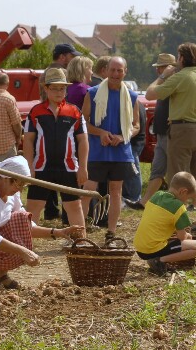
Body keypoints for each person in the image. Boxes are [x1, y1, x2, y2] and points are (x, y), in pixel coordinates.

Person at [0, 156, 84, 290]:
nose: (20, 190)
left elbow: (25, 225)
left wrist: (57, 232)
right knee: (16, 249)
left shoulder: (11, 194)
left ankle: (0, 276)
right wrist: (23, 251)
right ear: (5, 178)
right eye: (19, 184)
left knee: (21, 218)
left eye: (24, 185)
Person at [145, 43, 196, 216]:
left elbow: (150, 94)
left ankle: (177, 221)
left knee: (177, 177)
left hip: (181, 130)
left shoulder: (180, 77)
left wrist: (163, 76)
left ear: (182, 58)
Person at [22, 68, 89, 237]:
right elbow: (28, 140)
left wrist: (83, 167)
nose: (59, 92)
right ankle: (25, 242)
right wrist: (28, 166)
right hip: (41, 167)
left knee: (74, 206)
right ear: (46, 88)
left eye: (62, 88)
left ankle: (81, 242)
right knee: (33, 206)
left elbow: (83, 141)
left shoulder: (75, 111)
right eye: (54, 88)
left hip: (69, 167)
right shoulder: (36, 112)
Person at [81, 57, 139, 241]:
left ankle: (111, 232)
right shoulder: (92, 93)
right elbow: (83, 122)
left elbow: (136, 126)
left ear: (125, 72)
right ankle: (79, 231)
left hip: (120, 152)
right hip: (97, 151)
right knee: (88, 191)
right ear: (105, 70)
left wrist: (123, 136)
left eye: (119, 70)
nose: (115, 74)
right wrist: (101, 133)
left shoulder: (132, 96)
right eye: (112, 70)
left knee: (116, 192)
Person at [125, 53, 175, 210]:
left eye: (161, 67)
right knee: (158, 169)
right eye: (158, 67)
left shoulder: (173, 83)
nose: (158, 71)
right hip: (162, 132)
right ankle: (144, 202)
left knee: (174, 170)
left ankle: (180, 202)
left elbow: (149, 93)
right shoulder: (164, 84)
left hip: (171, 133)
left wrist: (163, 77)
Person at [134, 171, 196, 275]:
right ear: (183, 191)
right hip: (152, 250)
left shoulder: (156, 195)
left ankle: (157, 260)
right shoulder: (179, 207)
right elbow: (182, 237)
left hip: (139, 248)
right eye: (188, 198)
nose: (186, 202)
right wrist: (188, 235)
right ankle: (159, 261)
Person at [41, 43, 81, 220]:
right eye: (71, 56)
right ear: (63, 56)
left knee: (47, 171)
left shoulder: (45, 72)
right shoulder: (62, 73)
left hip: (48, 118)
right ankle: (66, 213)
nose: (73, 59)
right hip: (58, 117)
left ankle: (51, 210)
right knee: (64, 170)